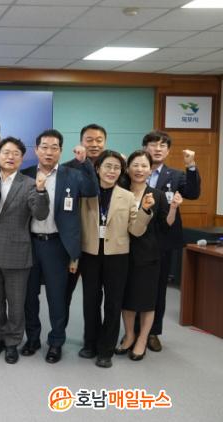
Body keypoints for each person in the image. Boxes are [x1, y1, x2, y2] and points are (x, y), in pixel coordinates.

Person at [21, 129, 98, 364]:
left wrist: (85, 163)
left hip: (57, 245)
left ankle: (56, 342)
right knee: (29, 296)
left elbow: (92, 190)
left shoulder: (72, 175)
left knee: (57, 297)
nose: (49, 152)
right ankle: (32, 338)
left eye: (54, 148)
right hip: (29, 244)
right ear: (36, 150)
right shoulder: (25, 174)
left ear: (61, 151)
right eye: (44, 147)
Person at [78, 150, 152, 368]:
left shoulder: (127, 196)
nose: (112, 171)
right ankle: (90, 343)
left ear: (121, 171)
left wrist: (144, 211)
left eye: (117, 167)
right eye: (108, 166)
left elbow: (136, 230)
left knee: (113, 303)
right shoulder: (87, 193)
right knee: (90, 301)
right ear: (98, 168)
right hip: (90, 254)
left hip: (117, 256)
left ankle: (106, 349)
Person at [0, 137, 49, 365]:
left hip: (17, 252)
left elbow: (40, 214)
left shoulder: (29, 183)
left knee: (16, 302)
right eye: (6, 152)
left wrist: (41, 191)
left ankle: (12, 342)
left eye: (15, 154)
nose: (10, 157)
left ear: (22, 159)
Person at [117, 150, 181, 361]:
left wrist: (173, 208)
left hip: (148, 255)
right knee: (126, 298)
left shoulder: (157, 194)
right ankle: (129, 335)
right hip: (122, 252)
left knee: (146, 300)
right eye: (135, 165)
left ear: (150, 170)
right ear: (128, 168)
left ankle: (142, 339)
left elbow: (166, 224)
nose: (139, 169)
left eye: (144, 166)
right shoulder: (121, 191)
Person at [142, 130, 200, 352]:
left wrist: (191, 166)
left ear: (168, 151)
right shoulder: (135, 170)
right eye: (153, 144)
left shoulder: (176, 175)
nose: (157, 149)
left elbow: (193, 193)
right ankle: (134, 330)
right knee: (134, 286)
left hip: (163, 240)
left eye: (162, 146)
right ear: (145, 148)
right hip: (136, 237)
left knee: (159, 289)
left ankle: (153, 333)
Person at [62, 123, 107, 328]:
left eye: (99, 140)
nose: (94, 144)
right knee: (65, 291)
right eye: (89, 140)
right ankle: (58, 336)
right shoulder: (68, 168)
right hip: (74, 240)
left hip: (103, 243)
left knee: (94, 293)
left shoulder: (112, 165)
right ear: (81, 142)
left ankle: (93, 337)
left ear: (105, 142)